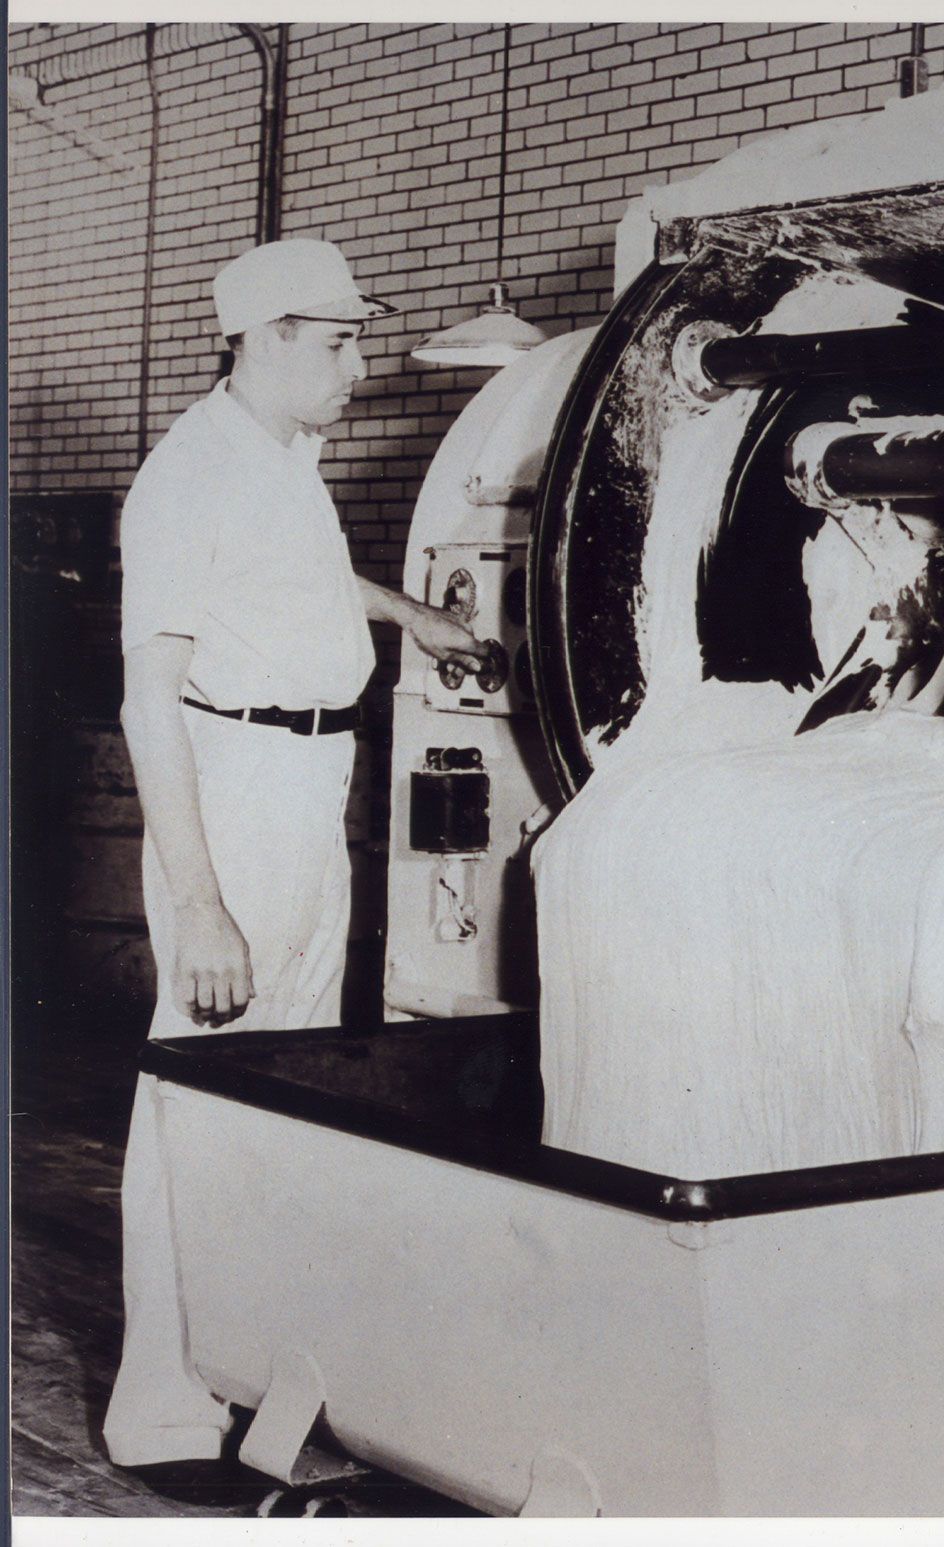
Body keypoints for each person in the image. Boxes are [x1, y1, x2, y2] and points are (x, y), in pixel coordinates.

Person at [103, 238, 484, 1470]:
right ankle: (160, 1408)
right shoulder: (186, 478)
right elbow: (147, 700)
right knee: (199, 1100)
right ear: (264, 335)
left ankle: (254, 1378)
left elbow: (301, 578)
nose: (360, 367)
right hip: (237, 794)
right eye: (339, 343)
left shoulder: (282, 455)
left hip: (313, 784)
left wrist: (410, 612)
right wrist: (203, 904)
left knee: (289, 1091)